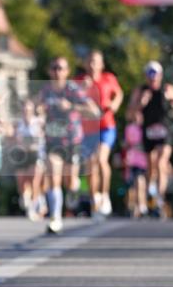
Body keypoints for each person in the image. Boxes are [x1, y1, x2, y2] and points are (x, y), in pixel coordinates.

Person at [36, 56, 100, 234]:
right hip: (52, 141)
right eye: (54, 68)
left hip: (72, 141)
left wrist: (71, 106)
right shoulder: (45, 90)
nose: (57, 72)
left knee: (70, 182)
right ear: (49, 71)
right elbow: (36, 107)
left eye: (61, 68)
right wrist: (38, 110)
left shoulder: (73, 90)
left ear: (67, 71)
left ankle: (74, 191)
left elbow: (94, 111)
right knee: (53, 177)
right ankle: (55, 218)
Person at [77, 50, 123, 217]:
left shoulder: (108, 79)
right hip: (88, 129)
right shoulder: (79, 81)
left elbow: (118, 93)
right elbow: (71, 103)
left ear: (101, 64)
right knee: (90, 163)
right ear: (84, 63)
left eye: (95, 61)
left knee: (101, 158)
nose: (92, 64)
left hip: (106, 126)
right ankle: (94, 198)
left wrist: (114, 104)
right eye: (89, 61)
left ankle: (105, 195)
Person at [127, 61, 173, 218]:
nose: (153, 78)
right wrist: (141, 103)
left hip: (165, 131)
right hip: (148, 132)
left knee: (161, 163)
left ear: (160, 75)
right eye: (149, 75)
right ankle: (151, 193)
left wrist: (171, 99)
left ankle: (159, 199)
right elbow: (130, 114)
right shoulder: (140, 91)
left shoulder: (167, 89)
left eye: (155, 75)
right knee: (151, 167)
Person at [12, 99, 46, 220]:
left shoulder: (39, 122)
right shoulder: (18, 123)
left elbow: (41, 137)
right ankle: (36, 200)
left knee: (34, 181)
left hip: (35, 154)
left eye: (29, 109)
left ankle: (33, 207)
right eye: (24, 109)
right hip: (21, 156)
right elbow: (13, 138)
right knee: (21, 182)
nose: (26, 111)